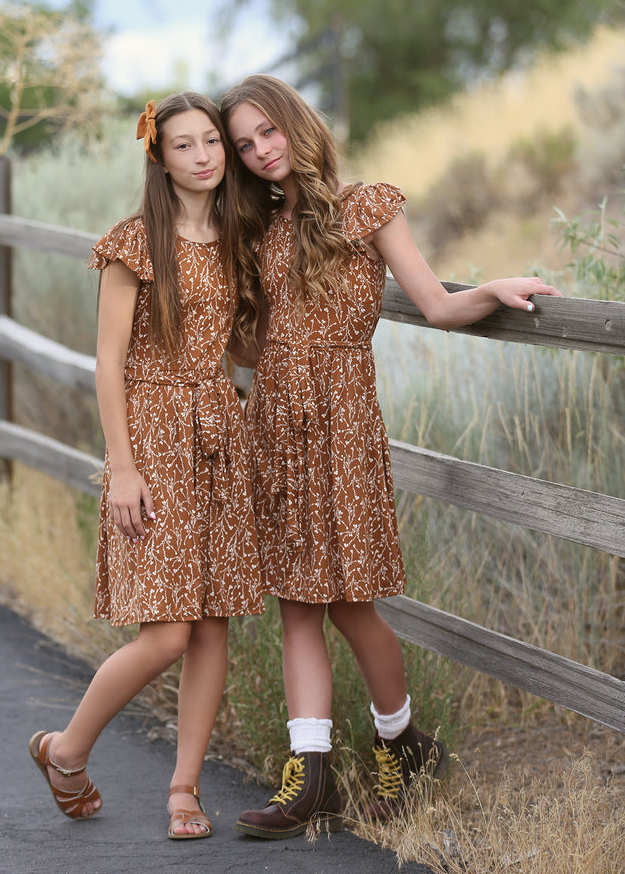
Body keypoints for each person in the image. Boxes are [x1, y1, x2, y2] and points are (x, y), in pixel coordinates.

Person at [220, 74, 561, 839]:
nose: (260, 151)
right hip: (275, 425)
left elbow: (436, 303)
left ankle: (400, 742)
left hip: (343, 425)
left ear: (295, 124)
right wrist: (205, 332)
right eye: (244, 145)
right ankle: (311, 780)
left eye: (265, 132)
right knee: (295, 602)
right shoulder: (262, 235)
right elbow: (256, 346)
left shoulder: (367, 206)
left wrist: (493, 288)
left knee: (349, 599)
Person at [28, 92, 263, 839]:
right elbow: (106, 360)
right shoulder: (134, 242)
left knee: (213, 627)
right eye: (184, 145)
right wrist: (122, 467)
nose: (202, 156)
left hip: (219, 433)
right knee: (165, 633)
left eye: (211, 143)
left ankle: (183, 791)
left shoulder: (237, 235)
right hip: (153, 436)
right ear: (158, 157)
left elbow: (237, 345)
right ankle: (66, 750)